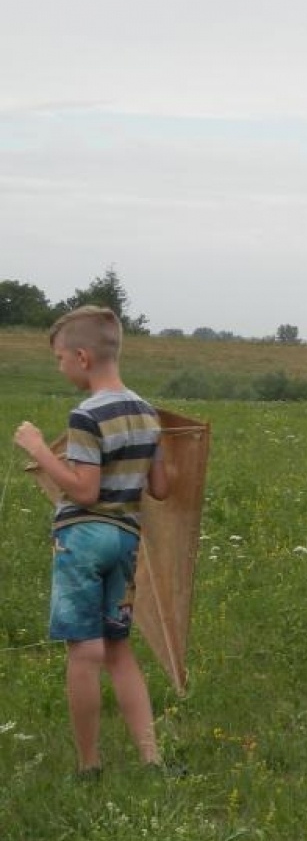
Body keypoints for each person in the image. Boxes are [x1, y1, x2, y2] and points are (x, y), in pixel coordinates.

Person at [12, 306, 172, 777]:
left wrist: (40, 450)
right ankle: (151, 758)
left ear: (82, 357)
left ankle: (89, 765)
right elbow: (161, 488)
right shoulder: (147, 413)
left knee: (85, 652)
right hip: (125, 540)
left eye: (60, 358)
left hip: (82, 539)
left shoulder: (85, 415)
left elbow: (84, 490)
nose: (59, 366)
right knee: (119, 650)